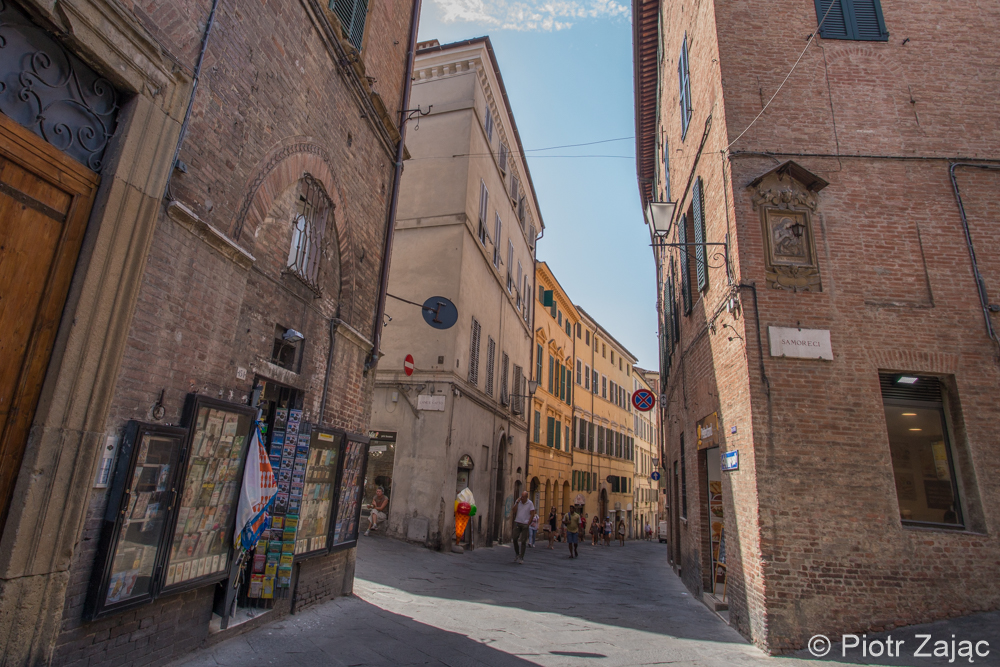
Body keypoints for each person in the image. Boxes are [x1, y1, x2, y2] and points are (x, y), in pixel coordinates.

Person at [511, 491, 535, 564]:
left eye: (523, 497)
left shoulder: (530, 503)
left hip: (525, 523)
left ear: (526, 497)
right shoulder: (518, 502)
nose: (522, 498)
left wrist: (529, 522)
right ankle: (517, 553)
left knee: (523, 541)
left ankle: (521, 557)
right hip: (517, 522)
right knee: (515, 538)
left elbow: (532, 513)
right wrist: (517, 503)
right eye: (521, 496)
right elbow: (514, 511)